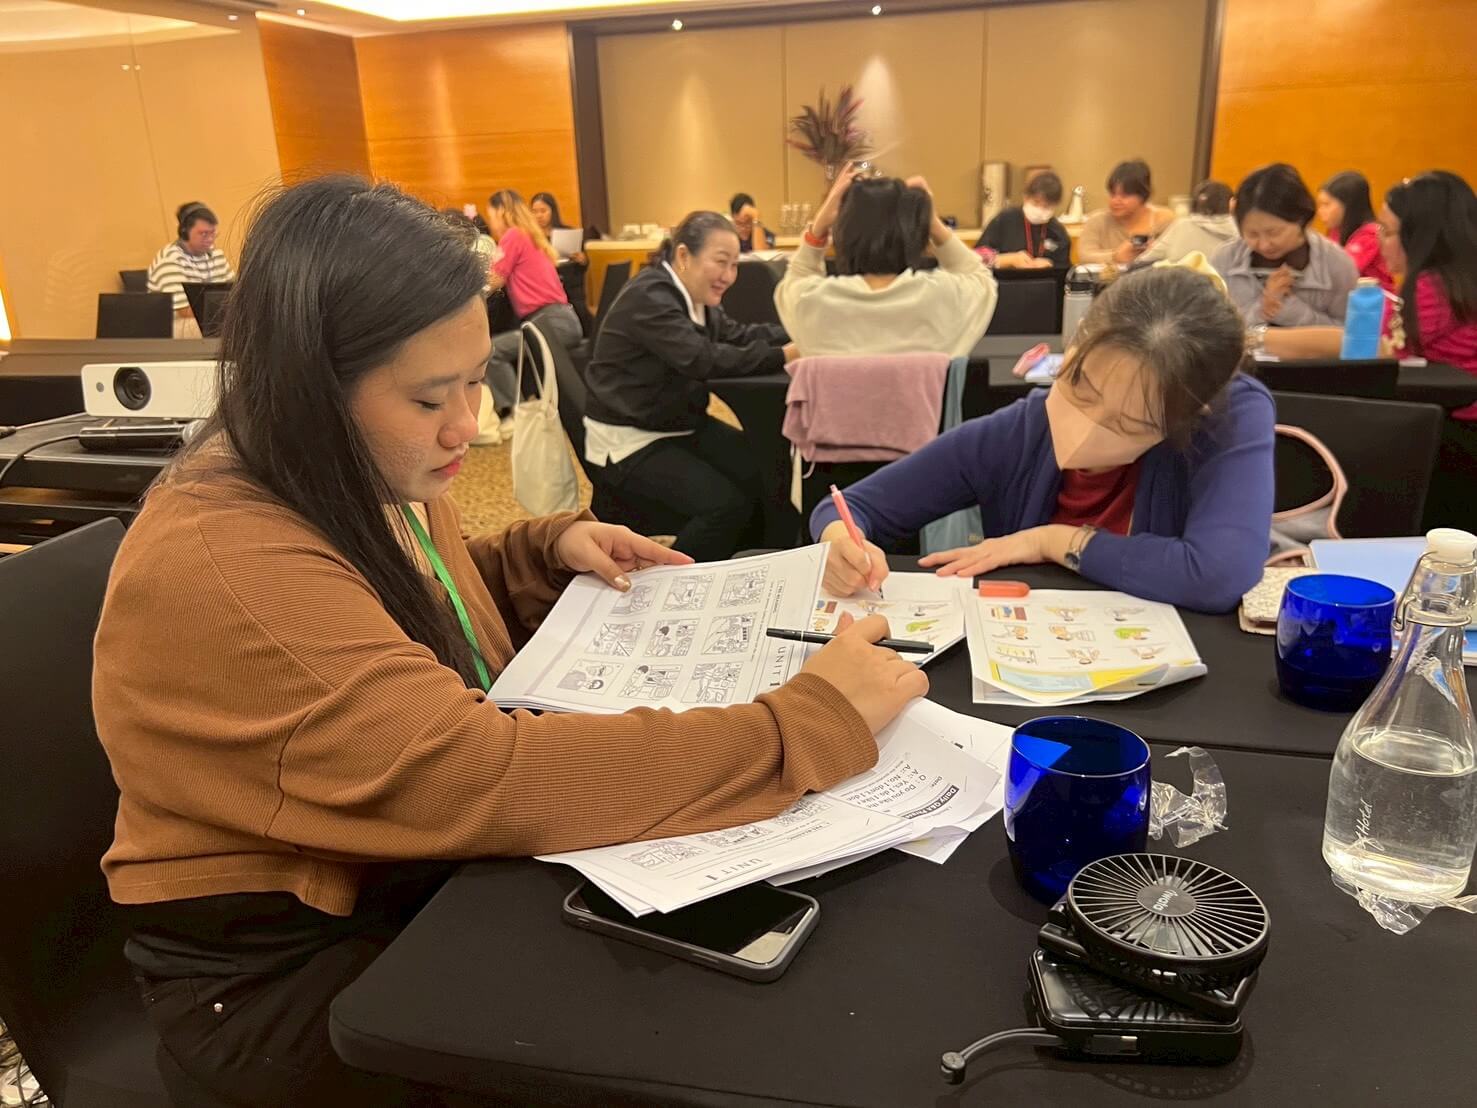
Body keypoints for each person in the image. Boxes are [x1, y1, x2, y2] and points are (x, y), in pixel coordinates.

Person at [94, 176, 924, 1106]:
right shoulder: (230, 560)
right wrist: (802, 723)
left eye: (471, 381)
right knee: (673, 1039)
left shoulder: (336, 468)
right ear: (307, 391)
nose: (467, 427)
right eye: (428, 400)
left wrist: (538, 554)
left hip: (403, 882)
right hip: (283, 978)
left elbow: (396, 603)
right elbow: (477, 773)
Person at [809, 265, 1275, 614]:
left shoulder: (1229, 413)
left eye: (1129, 424)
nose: (1088, 425)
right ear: (1074, 346)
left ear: (1189, 416)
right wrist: (839, 543)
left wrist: (1050, 541)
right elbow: (850, 507)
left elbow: (1218, 574)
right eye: (1080, 387)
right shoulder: (1025, 429)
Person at [583, 211, 797, 561]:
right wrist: (783, 354)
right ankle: (670, 578)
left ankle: (749, 561)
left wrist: (797, 332)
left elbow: (738, 335)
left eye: (735, 265)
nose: (729, 276)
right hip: (630, 437)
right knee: (724, 506)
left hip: (676, 422)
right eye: (721, 262)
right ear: (683, 255)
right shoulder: (651, 296)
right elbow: (702, 359)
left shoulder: (695, 297)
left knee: (762, 469)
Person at [775, 164, 998, 357]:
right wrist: (932, 223)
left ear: (844, 235)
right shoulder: (944, 298)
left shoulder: (813, 302)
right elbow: (979, 276)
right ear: (917, 235)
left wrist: (819, 226)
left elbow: (797, 277)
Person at [481, 188, 584, 444]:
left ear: (502, 212)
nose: (490, 222)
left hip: (548, 323)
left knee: (491, 351)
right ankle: (518, 410)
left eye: (491, 215)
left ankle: (515, 413)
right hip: (562, 320)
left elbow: (493, 280)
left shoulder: (513, 236)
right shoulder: (531, 236)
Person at [1214, 163, 1358, 333]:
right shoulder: (1225, 260)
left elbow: (1351, 334)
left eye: (1274, 232)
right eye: (1252, 234)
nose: (1264, 244)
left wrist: (1293, 312)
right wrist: (1263, 308)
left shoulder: (1337, 265)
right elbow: (1210, 329)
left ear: (1301, 219)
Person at [1381, 171, 1477, 376]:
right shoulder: (1459, 281)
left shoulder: (1433, 290)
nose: (1378, 240)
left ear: (1419, 237)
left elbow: (1373, 348)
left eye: (1387, 232)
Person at [147, 201, 235, 338]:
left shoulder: (216, 254)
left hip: (212, 317)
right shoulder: (170, 259)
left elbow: (234, 292)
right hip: (176, 325)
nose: (210, 239)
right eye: (204, 234)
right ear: (184, 232)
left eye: (213, 233)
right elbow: (184, 311)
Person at [1077, 160, 1177, 265]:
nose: (1116, 201)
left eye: (1124, 195)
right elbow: (1085, 256)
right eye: (1113, 194)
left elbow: (1177, 256)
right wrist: (1116, 256)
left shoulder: (1164, 219)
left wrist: (1155, 252)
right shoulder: (1096, 221)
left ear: (1142, 195)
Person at [976, 170, 1072, 269]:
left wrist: (1050, 265)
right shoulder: (1006, 219)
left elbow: (1064, 268)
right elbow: (977, 257)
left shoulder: (1058, 231)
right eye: (1036, 202)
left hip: (1044, 278)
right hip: (1005, 277)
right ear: (1026, 197)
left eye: (1047, 206)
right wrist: (1008, 259)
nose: (1040, 209)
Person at [1318, 170, 1395, 291]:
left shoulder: (1371, 235)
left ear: (1348, 205)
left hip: (1376, 300)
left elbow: (1340, 273)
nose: (1320, 211)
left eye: (1326, 204)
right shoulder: (1335, 231)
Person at [530, 190, 595, 334]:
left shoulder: (567, 232)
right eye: (534, 211)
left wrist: (582, 260)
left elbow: (584, 266)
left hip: (569, 283)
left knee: (577, 303)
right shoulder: (530, 238)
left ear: (552, 212)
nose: (539, 215)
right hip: (544, 285)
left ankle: (584, 334)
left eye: (543, 211)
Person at [1137, 181, 1237, 264]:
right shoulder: (1240, 232)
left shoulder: (1183, 225)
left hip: (1176, 281)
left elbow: (1144, 260)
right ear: (1231, 204)